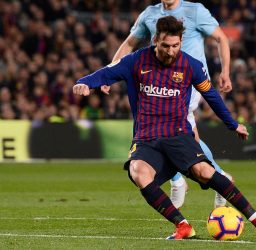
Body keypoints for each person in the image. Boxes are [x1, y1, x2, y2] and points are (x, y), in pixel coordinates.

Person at [74, 16, 256, 240]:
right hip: (146, 138)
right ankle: (183, 226)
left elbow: (212, 96)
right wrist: (85, 82)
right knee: (138, 172)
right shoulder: (135, 61)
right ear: (155, 40)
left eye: (175, 46)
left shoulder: (191, 65)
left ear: (181, 42)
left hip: (178, 135)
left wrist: (232, 124)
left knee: (206, 172)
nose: (171, 52)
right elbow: (105, 73)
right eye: (165, 46)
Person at [100, 0, 233, 208]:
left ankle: (187, 179)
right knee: (185, 136)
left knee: (170, 130)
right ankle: (215, 177)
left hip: (187, 83)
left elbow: (221, 38)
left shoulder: (195, 10)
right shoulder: (150, 14)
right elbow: (129, 44)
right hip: (159, 81)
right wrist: (109, 73)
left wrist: (225, 71)